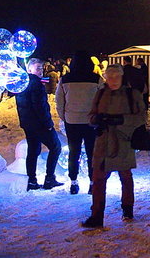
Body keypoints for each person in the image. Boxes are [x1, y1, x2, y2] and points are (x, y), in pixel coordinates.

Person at [82, 64, 147, 228]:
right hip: (103, 143)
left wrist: (121, 120)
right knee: (98, 179)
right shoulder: (101, 93)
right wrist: (96, 120)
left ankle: (127, 209)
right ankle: (96, 215)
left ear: (122, 76)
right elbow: (91, 115)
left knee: (125, 177)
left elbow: (141, 117)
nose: (113, 80)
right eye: (110, 77)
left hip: (123, 142)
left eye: (117, 76)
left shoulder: (132, 94)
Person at [56, 51, 101, 195]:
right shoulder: (96, 79)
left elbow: (59, 101)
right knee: (91, 153)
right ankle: (92, 183)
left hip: (72, 121)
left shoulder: (65, 80)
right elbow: (102, 99)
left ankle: (74, 183)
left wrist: (64, 117)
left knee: (73, 153)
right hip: (91, 121)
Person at [16, 58, 63, 191]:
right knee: (56, 147)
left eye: (41, 68)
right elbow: (40, 106)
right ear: (29, 69)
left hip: (28, 124)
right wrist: (48, 124)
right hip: (39, 124)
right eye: (37, 68)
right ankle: (49, 179)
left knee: (33, 151)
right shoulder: (35, 84)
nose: (40, 71)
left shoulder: (23, 83)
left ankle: (32, 181)